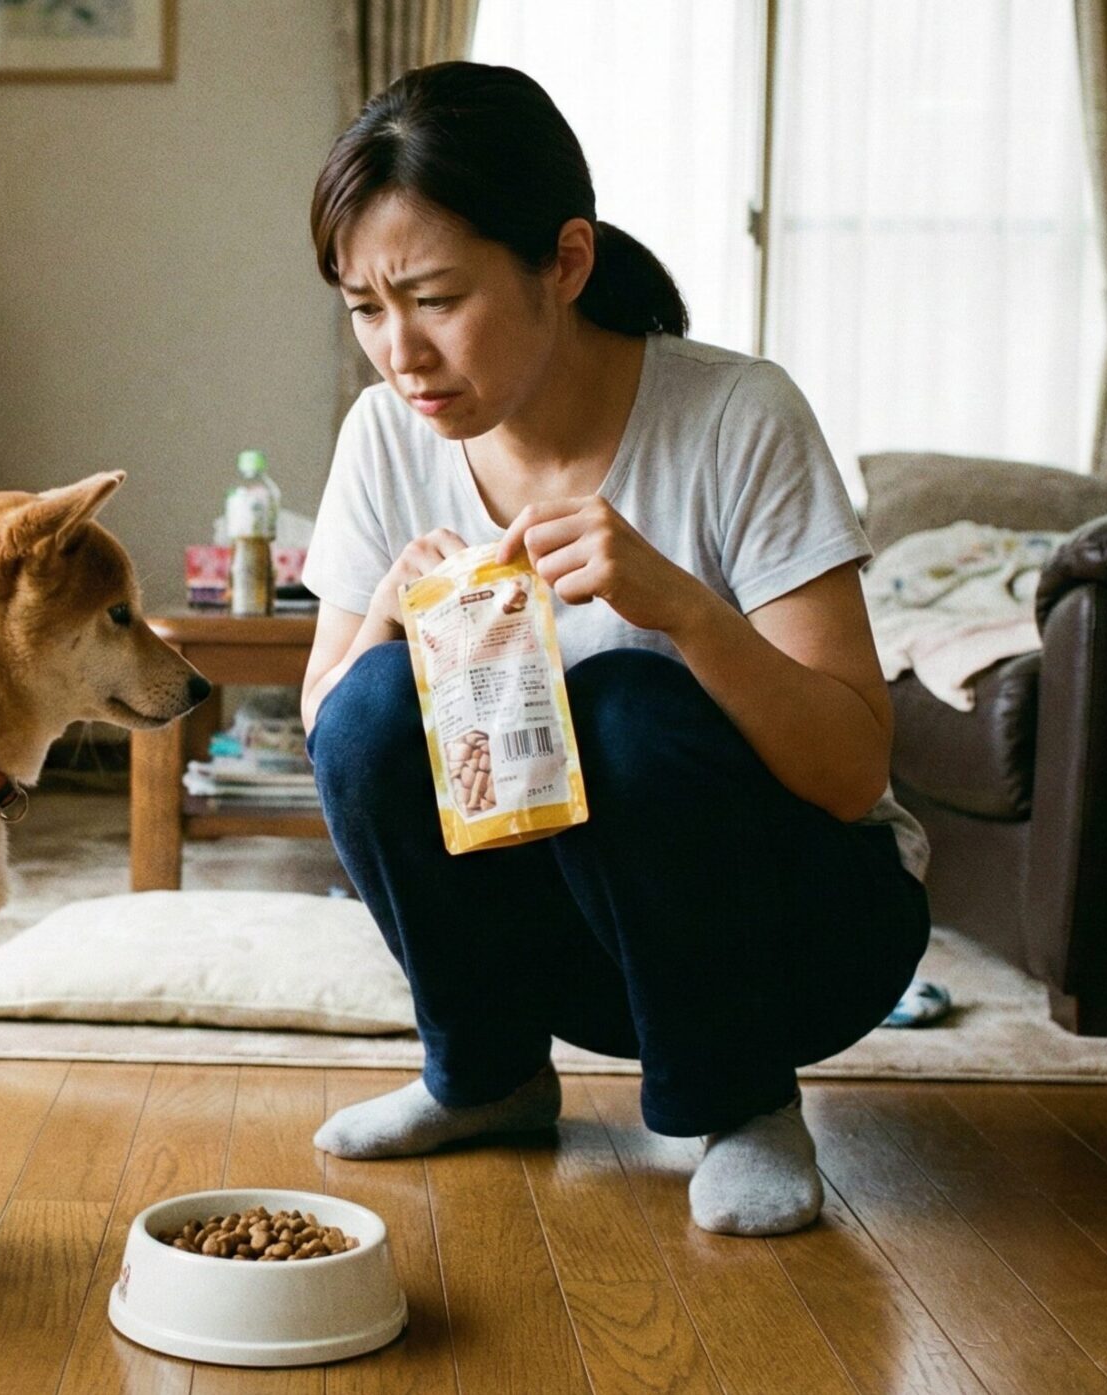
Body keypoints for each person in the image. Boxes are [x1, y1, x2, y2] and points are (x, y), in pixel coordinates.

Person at [298, 61, 930, 1236]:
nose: (399, 353)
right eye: (363, 309)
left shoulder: (737, 415)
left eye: (433, 299)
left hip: (798, 938)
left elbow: (852, 775)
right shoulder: (385, 435)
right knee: (375, 701)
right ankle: (484, 1076)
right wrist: (386, 612)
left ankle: (738, 1101)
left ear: (565, 262)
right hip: (569, 949)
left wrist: (683, 610)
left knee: (625, 701)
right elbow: (331, 733)